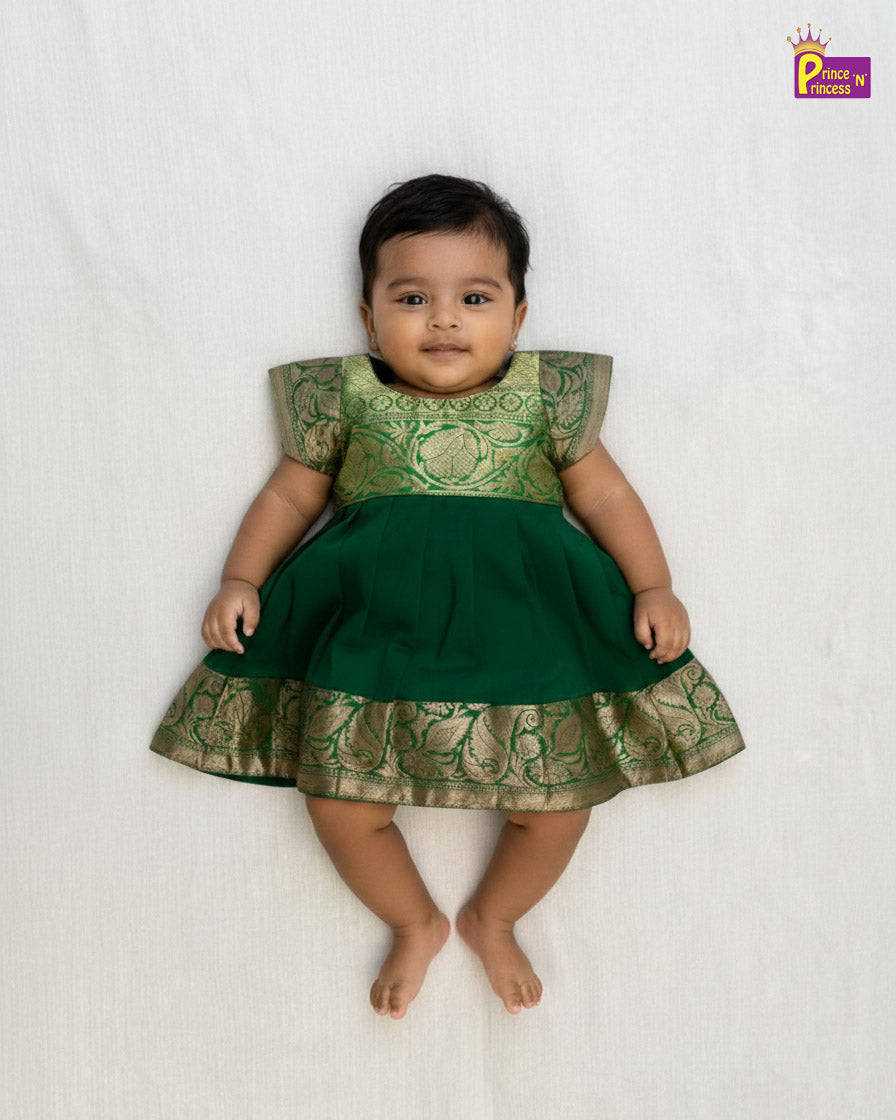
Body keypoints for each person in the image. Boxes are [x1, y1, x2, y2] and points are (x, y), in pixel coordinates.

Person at [151, 173, 745, 1020]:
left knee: (562, 801)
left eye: (474, 296)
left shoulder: (545, 400)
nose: (443, 318)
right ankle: (414, 920)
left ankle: (494, 917)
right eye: (411, 296)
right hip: (374, 636)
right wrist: (241, 578)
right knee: (338, 799)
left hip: (527, 637)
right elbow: (289, 499)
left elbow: (606, 498)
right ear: (368, 318)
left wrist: (654, 584)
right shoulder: (346, 401)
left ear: (518, 317)